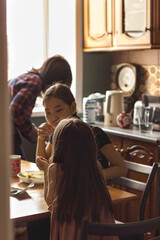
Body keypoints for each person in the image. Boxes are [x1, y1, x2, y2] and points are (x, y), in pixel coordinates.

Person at [36, 118, 118, 240]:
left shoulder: (56, 168)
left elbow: (50, 202)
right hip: (99, 225)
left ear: (59, 144)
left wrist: (46, 170)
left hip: (72, 229)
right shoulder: (96, 166)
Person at [36, 83, 127, 182]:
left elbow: (121, 169)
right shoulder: (56, 134)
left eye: (58, 110)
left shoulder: (93, 133)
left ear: (73, 107)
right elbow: (42, 166)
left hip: (93, 192)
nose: (53, 118)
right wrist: (41, 139)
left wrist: (90, 177)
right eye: (48, 112)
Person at [8, 55, 72, 159]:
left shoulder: (26, 77)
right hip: (6, 133)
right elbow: (15, 109)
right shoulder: (35, 82)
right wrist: (32, 132)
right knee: (17, 166)